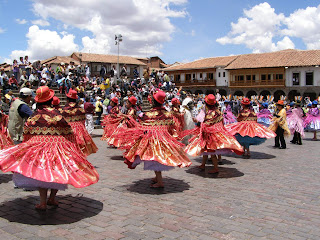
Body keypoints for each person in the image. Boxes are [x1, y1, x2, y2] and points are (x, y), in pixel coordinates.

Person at [0, 86, 99, 210]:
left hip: (39, 147)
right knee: (57, 171)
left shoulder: (34, 116)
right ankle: (52, 198)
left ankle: (42, 202)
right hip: (57, 147)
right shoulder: (57, 114)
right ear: (51, 99)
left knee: (42, 173)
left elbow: (27, 134)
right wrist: (73, 147)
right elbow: (67, 131)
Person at [120, 90, 192, 188]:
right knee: (157, 158)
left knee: (155, 159)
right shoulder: (168, 114)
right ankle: (157, 178)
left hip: (153, 140)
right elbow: (172, 128)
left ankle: (160, 182)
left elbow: (142, 126)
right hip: (164, 140)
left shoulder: (148, 115)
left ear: (153, 101)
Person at [184, 94, 243, 173]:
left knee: (211, 152)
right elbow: (221, 122)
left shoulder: (207, 112)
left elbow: (203, 123)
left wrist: (197, 122)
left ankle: (215, 168)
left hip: (209, 135)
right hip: (215, 134)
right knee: (205, 151)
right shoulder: (218, 111)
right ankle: (203, 164)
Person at [62, 89, 98, 156]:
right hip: (80, 131)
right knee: (80, 151)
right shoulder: (81, 110)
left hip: (68, 131)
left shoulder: (63, 110)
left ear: (67, 99)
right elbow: (83, 121)